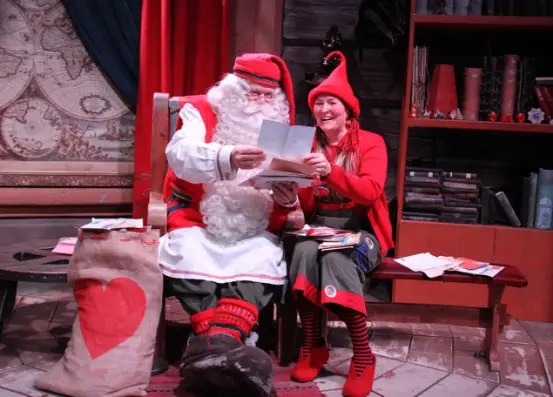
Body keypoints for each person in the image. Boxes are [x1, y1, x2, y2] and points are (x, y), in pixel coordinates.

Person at [158, 53, 299, 396]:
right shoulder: (198, 111)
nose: (261, 104)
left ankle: (210, 344)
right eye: (254, 94)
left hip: (256, 225)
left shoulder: (281, 131)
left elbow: (296, 194)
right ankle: (231, 343)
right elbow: (180, 154)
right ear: (233, 90)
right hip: (198, 219)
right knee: (186, 251)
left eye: (269, 96)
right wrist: (227, 157)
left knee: (264, 256)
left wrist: (287, 196)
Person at [288, 51, 394, 397]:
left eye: (330, 102)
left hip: (362, 232)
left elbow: (371, 191)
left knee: (335, 258)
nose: (323, 110)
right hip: (320, 227)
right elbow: (307, 206)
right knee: (303, 250)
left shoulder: (371, 143)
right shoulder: (307, 143)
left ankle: (362, 356)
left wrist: (330, 172)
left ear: (348, 109)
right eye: (318, 104)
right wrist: (291, 187)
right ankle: (313, 344)